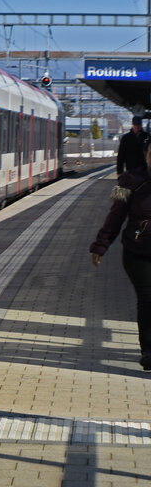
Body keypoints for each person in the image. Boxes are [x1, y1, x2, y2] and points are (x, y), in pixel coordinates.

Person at [91, 138, 151, 371]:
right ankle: (148, 350)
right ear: (146, 155)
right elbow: (115, 215)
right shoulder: (130, 181)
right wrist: (101, 244)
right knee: (147, 299)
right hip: (138, 252)